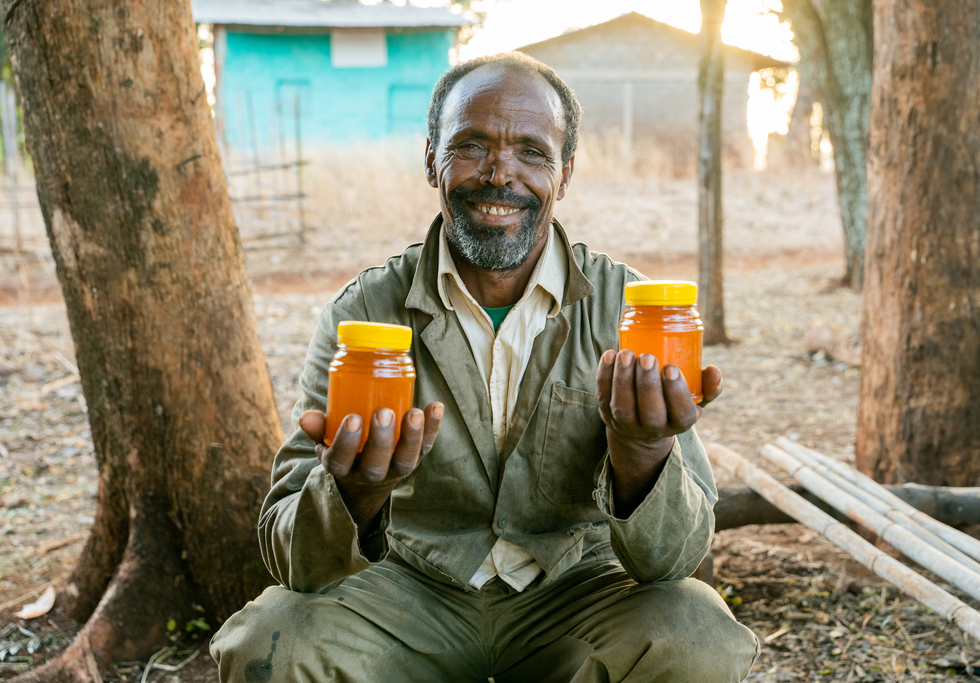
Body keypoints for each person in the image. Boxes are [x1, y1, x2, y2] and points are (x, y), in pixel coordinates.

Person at [210, 51, 759, 682]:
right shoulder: (366, 314)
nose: (501, 174)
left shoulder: (629, 313)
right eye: (471, 145)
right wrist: (353, 497)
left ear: (566, 173)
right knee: (272, 641)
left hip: (574, 598)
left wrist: (641, 456)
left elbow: (674, 562)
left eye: (532, 151)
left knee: (695, 634)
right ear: (431, 160)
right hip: (406, 595)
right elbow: (289, 558)